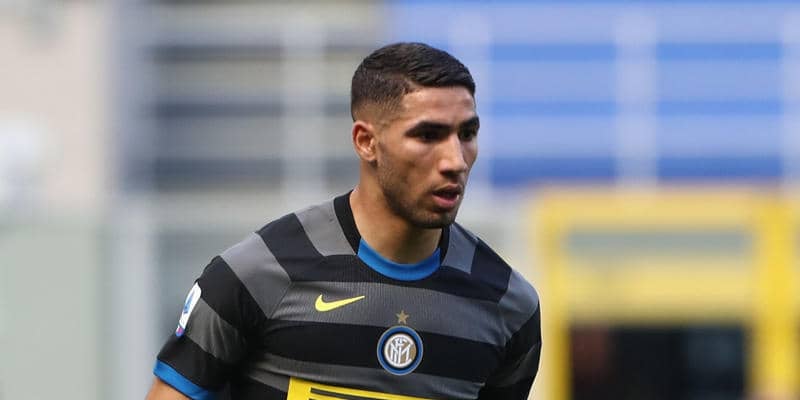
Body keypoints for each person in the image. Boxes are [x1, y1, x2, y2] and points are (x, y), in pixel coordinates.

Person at [146, 42, 541, 400]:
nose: (455, 160)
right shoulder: (256, 274)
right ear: (366, 142)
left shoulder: (508, 305)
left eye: (467, 134)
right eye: (428, 135)